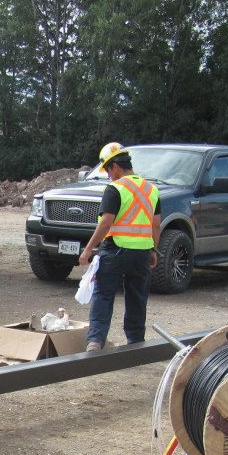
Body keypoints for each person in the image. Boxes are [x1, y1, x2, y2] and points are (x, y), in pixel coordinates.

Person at [78, 143, 161, 351]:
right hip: (142, 253)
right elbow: (156, 224)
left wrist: (88, 249)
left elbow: (106, 222)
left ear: (115, 166)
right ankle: (135, 342)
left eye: (107, 169)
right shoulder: (152, 189)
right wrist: (153, 250)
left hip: (116, 250)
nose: (108, 175)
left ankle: (95, 341)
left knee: (103, 294)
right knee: (137, 297)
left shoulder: (115, 189)